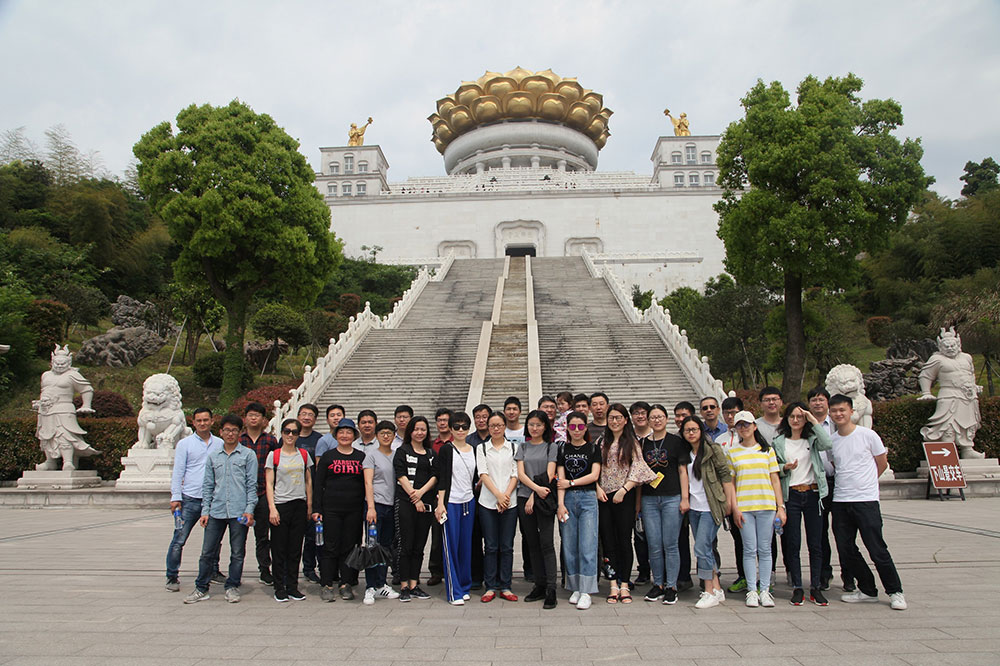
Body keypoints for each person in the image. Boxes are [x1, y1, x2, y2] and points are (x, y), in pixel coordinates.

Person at [828, 394, 907, 610]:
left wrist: (867, 483)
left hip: (866, 500)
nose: (838, 414)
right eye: (834, 411)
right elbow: (836, 466)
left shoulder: (868, 435)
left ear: (851, 411)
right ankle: (868, 589)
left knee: (877, 548)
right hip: (841, 500)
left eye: (842, 410)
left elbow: (881, 463)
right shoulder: (832, 441)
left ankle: (895, 591)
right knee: (846, 548)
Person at [184, 414, 257, 604]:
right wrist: (205, 511)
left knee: (237, 552)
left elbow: (252, 486)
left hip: (239, 511)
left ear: (240, 432)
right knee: (207, 552)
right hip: (216, 511)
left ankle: (232, 586)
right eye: (227, 430)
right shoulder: (213, 456)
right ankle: (201, 587)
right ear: (221, 432)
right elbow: (207, 486)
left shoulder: (248, 455)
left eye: (234, 430)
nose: (230, 434)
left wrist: (249, 510)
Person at [772, 401, 833, 606]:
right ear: (786, 419)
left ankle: (815, 586)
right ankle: (798, 586)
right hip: (792, 496)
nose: (796, 420)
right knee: (793, 543)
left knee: (816, 543)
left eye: (800, 416)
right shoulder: (779, 441)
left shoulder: (813, 439)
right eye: (792, 416)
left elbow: (828, 444)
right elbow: (773, 467)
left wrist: (814, 420)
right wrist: (784, 467)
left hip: (813, 493)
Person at [598, 403, 656, 604]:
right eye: (611, 418)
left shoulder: (631, 442)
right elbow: (595, 468)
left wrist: (624, 490)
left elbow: (639, 468)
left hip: (624, 497)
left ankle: (624, 583)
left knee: (624, 540)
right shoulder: (601, 442)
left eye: (618, 418)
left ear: (625, 420)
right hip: (604, 497)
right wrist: (598, 488)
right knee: (608, 542)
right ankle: (612, 583)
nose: (614, 421)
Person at [727, 411, 785, 608]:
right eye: (740, 426)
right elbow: (731, 484)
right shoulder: (733, 452)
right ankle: (752, 590)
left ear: (754, 426)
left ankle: (765, 590)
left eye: (747, 424)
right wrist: (734, 508)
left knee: (765, 549)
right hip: (745, 507)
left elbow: (775, 480)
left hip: (766, 505)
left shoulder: (766, 451)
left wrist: (781, 507)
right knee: (749, 549)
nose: (744, 428)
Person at [679, 415, 736, 610]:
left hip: (711, 506)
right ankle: (717, 588)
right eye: (687, 430)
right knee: (706, 548)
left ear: (701, 431)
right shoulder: (685, 452)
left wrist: (729, 503)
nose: (691, 433)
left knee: (702, 547)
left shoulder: (713, 450)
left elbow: (725, 476)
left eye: (694, 429)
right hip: (694, 507)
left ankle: (709, 590)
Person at [166, 407, 222, 592]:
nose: (203, 423)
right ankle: (172, 575)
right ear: (193, 422)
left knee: (214, 540)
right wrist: (176, 497)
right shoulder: (185, 444)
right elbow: (178, 472)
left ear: (212, 421)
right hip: (190, 497)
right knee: (179, 539)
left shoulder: (220, 443)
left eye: (206, 420)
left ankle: (213, 571)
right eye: (199, 420)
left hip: (213, 499)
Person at [640, 404, 689, 604]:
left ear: (666, 419)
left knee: (670, 544)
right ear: (649, 420)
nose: (657, 420)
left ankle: (672, 586)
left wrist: (685, 498)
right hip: (649, 499)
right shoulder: (643, 443)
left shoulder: (676, 442)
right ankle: (657, 583)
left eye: (660, 416)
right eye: (653, 417)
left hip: (671, 497)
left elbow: (682, 471)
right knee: (654, 544)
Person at [313, 418, 366, 602]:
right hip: (331, 509)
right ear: (336, 435)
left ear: (354, 435)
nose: (345, 435)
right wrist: (316, 508)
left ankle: (346, 583)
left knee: (350, 547)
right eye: (341, 432)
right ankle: (327, 584)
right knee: (330, 547)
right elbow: (318, 484)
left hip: (354, 509)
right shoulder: (328, 456)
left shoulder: (360, 457)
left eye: (348, 432)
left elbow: (366, 484)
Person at [808, 386, 854, 592]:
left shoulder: (838, 425)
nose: (817, 403)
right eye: (813, 400)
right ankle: (824, 574)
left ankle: (849, 575)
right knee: (820, 533)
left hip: (839, 483)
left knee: (843, 532)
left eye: (821, 400)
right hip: (817, 486)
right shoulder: (806, 426)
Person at [556, 410, 602, 610]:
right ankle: (574, 586)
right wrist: (560, 504)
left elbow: (594, 476)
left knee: (588, 545)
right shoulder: (562, 449)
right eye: (572, 426)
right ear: (567, 428)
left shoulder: (593, 449)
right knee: (569, 546)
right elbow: (559, 481)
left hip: (587, 498)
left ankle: (587, 590)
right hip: (567, 500)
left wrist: (571, 482)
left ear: (586, 428)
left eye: (580, 426)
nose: (576, 430)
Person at [515, 409, 559, 609]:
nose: (535, 428)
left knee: (547, 544)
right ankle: (538, 584)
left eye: (539, 425)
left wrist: (535, 494)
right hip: (525, 497)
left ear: (545, 427)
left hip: (544, 498)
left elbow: (549, 474)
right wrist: (532, 493)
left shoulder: (551, 447)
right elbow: (521, 475)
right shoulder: (522, 447)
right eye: (531, 424)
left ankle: (551, 588)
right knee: (532, 542)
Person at [265, 418, 312, 602]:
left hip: (299, 504)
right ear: (282, 433)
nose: (290, 435)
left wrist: (309, 505)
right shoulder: (274, 455)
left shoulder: (303, 454)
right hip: (280, 504)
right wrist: (272, 508)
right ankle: (279, 587)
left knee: (295, 549)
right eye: (287, 431)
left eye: (294, 432)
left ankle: (292, 586)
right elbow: (269, 483)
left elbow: (309, 481)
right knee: (279, 549)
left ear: (299, 434)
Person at [435, 411, 478, 605]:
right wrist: (440, 504)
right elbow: (442, 477)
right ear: (451, 429)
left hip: (468, 502)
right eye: (457, 427)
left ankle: (465, 584)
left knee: (465, 546)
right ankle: (454, 591)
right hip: (451, 501)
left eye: (464, 427)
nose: (461, 430)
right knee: (450, 546)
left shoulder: (474, 449)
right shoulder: (447, 449)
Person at [476, 412, 519, 602]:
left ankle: (506, 585)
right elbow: (483, 474)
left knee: (507, 546)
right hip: (488, 502)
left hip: (510, 503)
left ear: (504, 427)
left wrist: (506, 497)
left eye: (499, 425)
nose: (495, 429)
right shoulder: (482, 448)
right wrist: (498, 496)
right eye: (492, 425)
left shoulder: (514, 447)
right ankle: (491, 585)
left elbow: (515, 474)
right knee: (491, 546)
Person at [394, 416, 437, 602]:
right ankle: (404, 585)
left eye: (423, 429)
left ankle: (414, 583)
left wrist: (421, 493)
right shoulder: (402, 451)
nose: (420, 432)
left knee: (419, 546)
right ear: (410, 431)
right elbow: (400, 475)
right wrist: (414, 496)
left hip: (425, 503)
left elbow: (435, 476)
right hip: (406, 502)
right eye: (416, 429)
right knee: (406, 545)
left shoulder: (430, 453)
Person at [361, 420, 401, 605]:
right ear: (377, 435)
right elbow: (368, 482)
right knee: (372, 546)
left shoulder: (396, 455)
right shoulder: (371, 455)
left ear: (394, 435)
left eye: (389, 433)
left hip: (391, 505)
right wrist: (370, 507)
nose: (386, 436)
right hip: (375, 505)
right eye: (382, 433)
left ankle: (381, 584)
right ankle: (370, 586)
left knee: (385, 547)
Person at [239, 402, 278, 587]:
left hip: (263, 492)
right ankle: (235, 570)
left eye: (258, 416)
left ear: (264, 420)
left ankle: (265, 569)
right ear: (245, 418)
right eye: (250, 415)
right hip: (241, 495)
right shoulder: (239, 441)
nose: (254, 418)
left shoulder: (270, 441)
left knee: (263, 535)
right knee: (238, 535)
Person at [716, 396, 749, 594]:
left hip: (752, 495)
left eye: (734, 412)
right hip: (730, 496)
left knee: (761, 541)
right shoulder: (720, 440)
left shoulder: (750, 436)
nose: (730, 416)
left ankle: (766, 576)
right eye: (727, 413)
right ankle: (743, 575)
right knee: (739, 538)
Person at [306, 403, 340, 584]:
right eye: (332, 415)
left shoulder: (351, 441)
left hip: (348, 497)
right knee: (323, 536)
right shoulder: (324, 441)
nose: (336, 418)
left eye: (339, 415)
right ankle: (319, 569)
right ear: (327, 419)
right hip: (328, 495)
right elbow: (319, 471)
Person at [427, 407, 453, 587]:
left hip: (455, 493)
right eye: (440, 420)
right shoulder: (430, 444)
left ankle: (453, 567)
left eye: (446, 420)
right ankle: (436, 570)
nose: (443, 423)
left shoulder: (458, 442)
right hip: (434, 493)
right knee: (436, 534)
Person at [673, 400, 696, 592]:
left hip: (700, 498)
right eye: (678, 415)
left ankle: (710, 576)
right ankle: (682, 576)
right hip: (681, 496)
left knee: (705, 541)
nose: (680, 419)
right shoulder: (675, 440)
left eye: (684, 415)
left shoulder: (700, 441)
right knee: (679, 536)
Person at [628, 401, 652, 586]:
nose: (640, 416)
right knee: (639, 535)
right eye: (636, 413)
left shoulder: (656, 436)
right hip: (632, 491)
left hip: (658, 492)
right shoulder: (629, 438)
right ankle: (643, 570)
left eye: (643, 412)